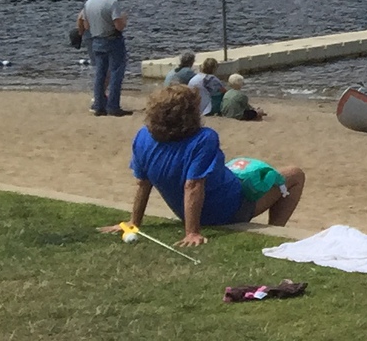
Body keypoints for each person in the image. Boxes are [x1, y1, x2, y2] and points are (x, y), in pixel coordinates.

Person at [125, 83, 302, 247]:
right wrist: (192, 232)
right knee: (294, 175)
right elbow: (193, 185)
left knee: (242, 167)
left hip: (189, 209)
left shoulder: (143, 137)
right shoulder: (203, 138)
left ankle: (273, 230)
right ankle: (276, 231)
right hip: (228, 209)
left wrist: (134, 223)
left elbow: (143, 183)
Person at [78, 0, 130, 116]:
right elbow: (119, 26)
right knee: (116, 73)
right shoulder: (112, 2)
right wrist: (124, 19)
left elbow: (86, 24)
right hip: (112, 39)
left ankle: (99, 105)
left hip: (96, 40)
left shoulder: (89, 2)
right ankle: (113, 106)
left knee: (100, 73)